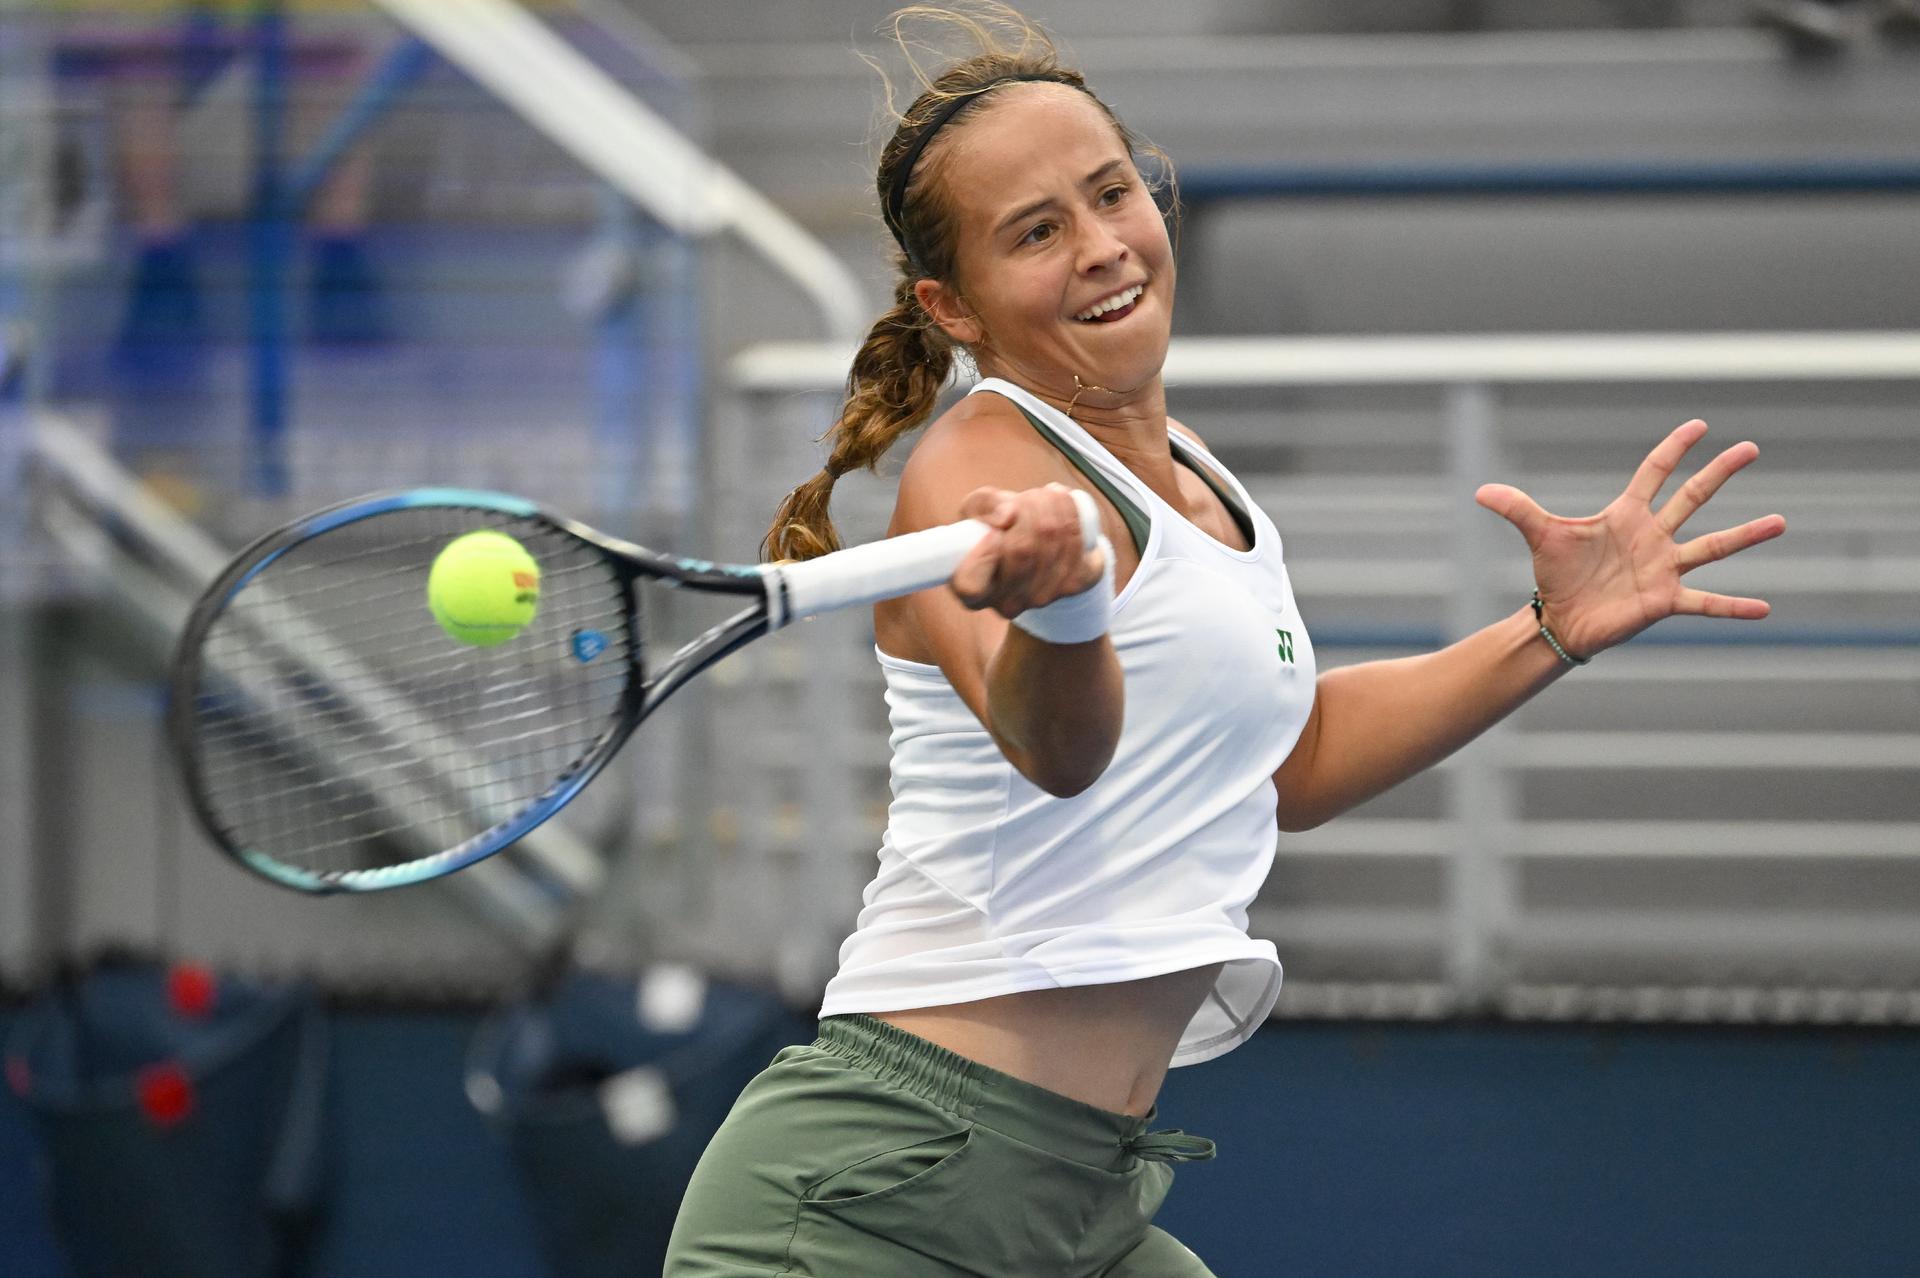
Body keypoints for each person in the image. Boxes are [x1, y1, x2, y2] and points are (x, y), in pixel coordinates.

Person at [663, 6, 1786, 1274]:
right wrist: (1066, 611)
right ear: (953, 307)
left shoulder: (1202, 476)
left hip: (1078, 1196)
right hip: (875, 1194)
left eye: (1111, 194)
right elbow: (1056, 750)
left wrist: (1549, 633)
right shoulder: (975, 466)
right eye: (1036, 231)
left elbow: (1288, 767)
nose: (1103, 246)